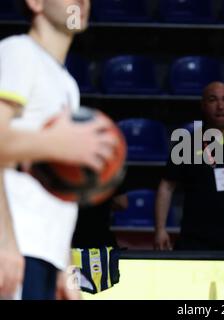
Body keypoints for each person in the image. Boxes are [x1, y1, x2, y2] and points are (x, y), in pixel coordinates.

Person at [0, 0, 117, 299]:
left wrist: (66, 267)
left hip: (46, 254)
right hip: (15, 248)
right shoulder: (17, 52)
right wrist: (5, 242)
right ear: (35, 2)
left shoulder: (66, 84)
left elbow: (60, 192)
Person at [154, 81, 224, 251]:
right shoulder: (186, 143)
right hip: (195, 237)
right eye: (213, 99)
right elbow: (166, 187)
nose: (220, 105)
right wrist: (160, 229)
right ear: (203, 104)